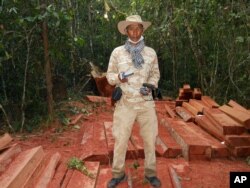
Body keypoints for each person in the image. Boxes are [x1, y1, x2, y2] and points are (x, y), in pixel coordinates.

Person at [106, 15, 161, 188]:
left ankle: (151, 174)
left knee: (150, 140)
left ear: (142, 30)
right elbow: (109, 76)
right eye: (131, 28)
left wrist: (151, 86)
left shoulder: (151, 53)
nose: (135, 32)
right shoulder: (117, 52)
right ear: (126, 31)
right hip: (125, 103)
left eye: (138, 28)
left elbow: (155, 74)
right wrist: (118, 78)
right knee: (120, 139)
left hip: (146, 103)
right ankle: (118, 174)